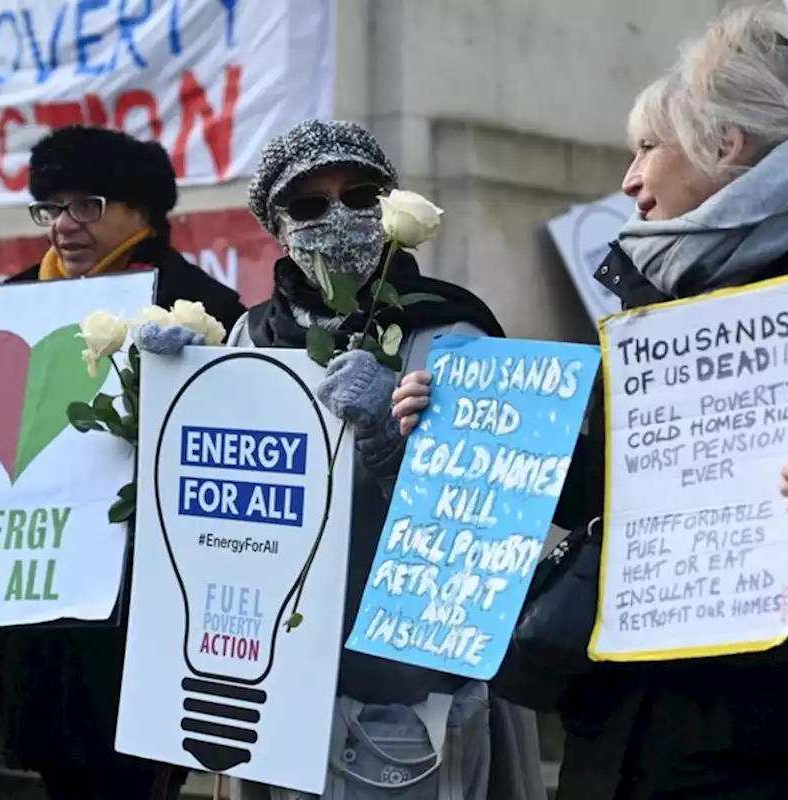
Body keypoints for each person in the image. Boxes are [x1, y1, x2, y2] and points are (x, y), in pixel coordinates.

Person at [400, 8, 788, 799]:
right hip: (622, 736)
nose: (629, 179)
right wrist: (466, 430)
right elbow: (615, 493)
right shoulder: (656, 299)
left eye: (648, 148)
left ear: (724, 146)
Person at [137, 118, 547, 799]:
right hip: (272, 697)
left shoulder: (454, 330)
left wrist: (393, 448)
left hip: (401, 708)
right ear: (278, 225)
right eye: (308, 204)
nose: (338, 216)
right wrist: (166, 400)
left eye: (360, 195)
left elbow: (489, 532)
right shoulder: (249, 334)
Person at [0, 124, 246, 800]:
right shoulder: (5, 304)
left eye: (87, 206)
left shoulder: (204, 309)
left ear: (143, 212)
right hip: (37, 604)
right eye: (50, 208)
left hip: (144, 611)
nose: (64, 226)